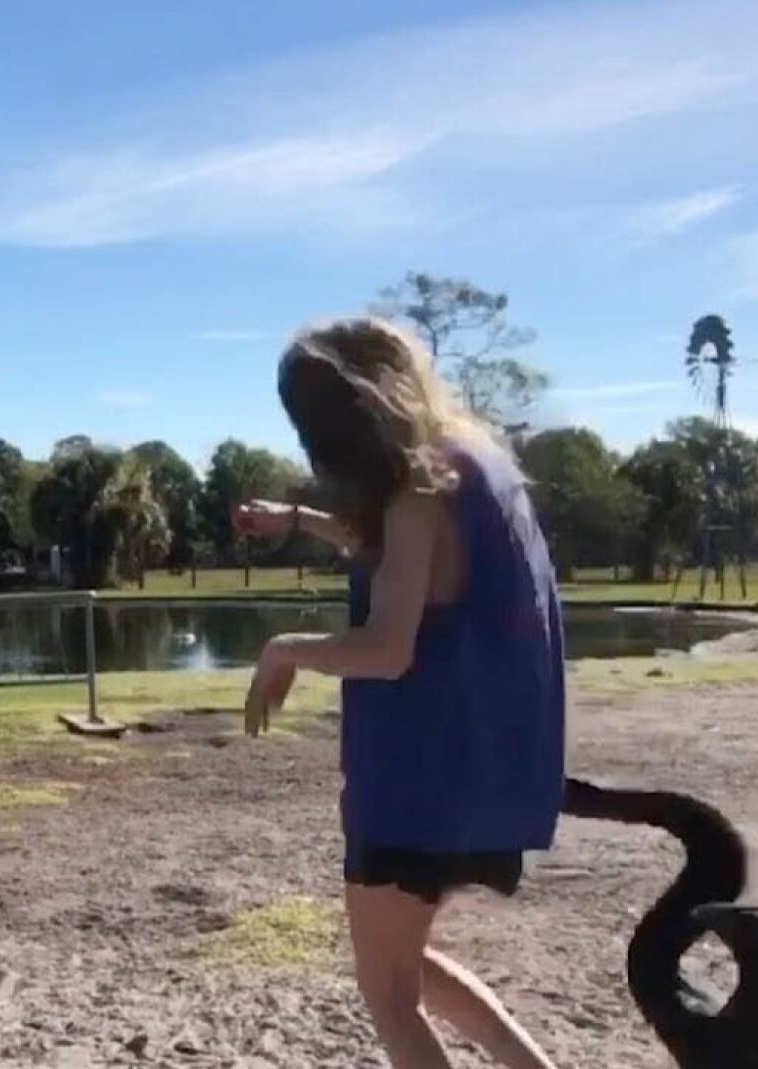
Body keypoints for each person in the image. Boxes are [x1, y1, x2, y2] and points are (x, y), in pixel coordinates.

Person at [235, 317, 565, 1069]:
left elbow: (388, 647)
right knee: (402, 966)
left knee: (387, 994)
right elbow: (411, 558)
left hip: (419, 786)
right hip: (487, 777)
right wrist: (298, 520)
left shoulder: (417, 484)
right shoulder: (473, 460)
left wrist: (287, 649)